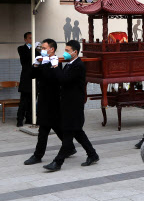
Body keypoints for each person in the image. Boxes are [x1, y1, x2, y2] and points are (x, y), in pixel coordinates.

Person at [43, 40, 99, 170]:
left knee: (68, 134)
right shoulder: (70, 64)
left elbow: (63, 79)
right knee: (77, 132)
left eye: (68, 51)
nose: (65, 53)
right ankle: (92, 154)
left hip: (74, 105)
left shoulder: (78, 65)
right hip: (68, 104)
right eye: (65, 50)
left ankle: (58, 162)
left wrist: (56, 66)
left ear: (75, 52)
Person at [23, 39, 76, 165]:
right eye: (42, 48)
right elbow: (31, 76)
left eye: (45, 48)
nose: (42, 50)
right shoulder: (43, 60)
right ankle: (69, 147)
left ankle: (38, 155)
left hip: (53, 99)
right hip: (43, 98)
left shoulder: (55, 62)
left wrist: (47, 65)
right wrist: (35, 65)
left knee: (44, 128)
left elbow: (53, 78)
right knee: (56, 126)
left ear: (52, 49)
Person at [16, 32, 37, 127]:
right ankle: (19, 119)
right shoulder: (21, 49)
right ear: (25, 40)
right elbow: (26, 58)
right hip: (26, 78)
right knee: (24, 100)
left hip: (34, 78)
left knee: (33, 100)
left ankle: (30, 118)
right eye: (30, 38)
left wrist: (35, 48)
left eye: (33, 38)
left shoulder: (36, 50)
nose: (31, 40)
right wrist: (32, 48)